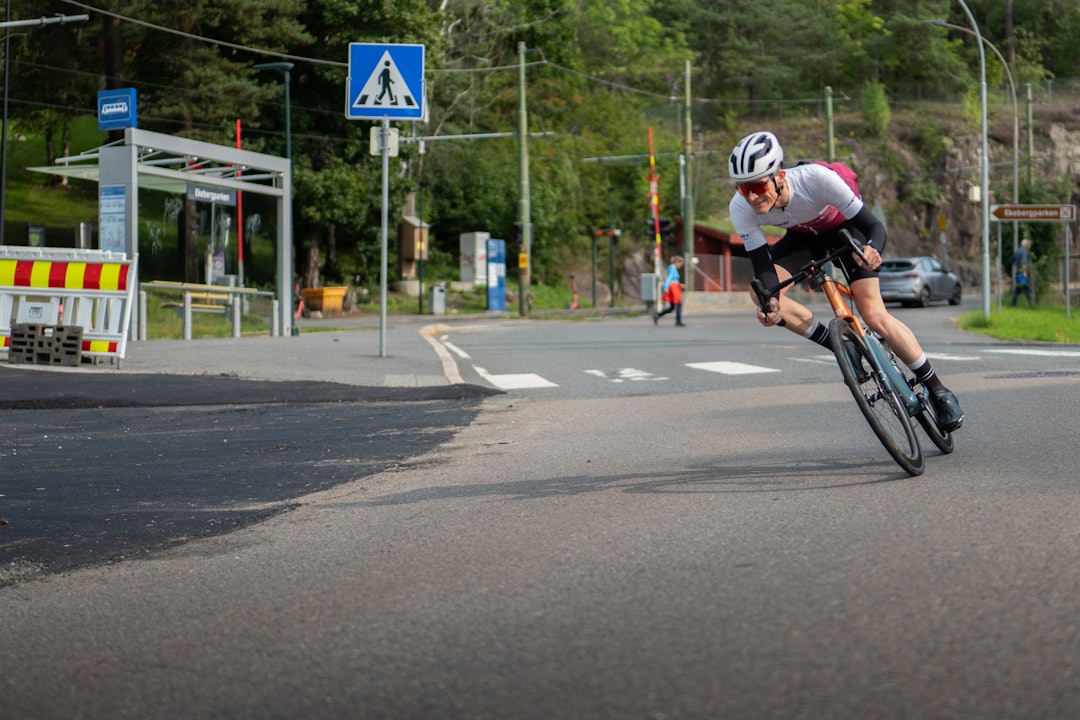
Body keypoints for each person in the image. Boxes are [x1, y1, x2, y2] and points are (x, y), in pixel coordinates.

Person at [727, 131, 964, 432]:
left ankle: (938, 389)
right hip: (802, 239)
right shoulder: (740, 208)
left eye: (758, 186)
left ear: (779, 176)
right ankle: (842, 346)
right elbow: (764, 269)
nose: (751, 197)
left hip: (847, 228)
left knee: (873, 314)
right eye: (743, 188)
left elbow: (873, 226)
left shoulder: (816, 179)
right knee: (759, 293)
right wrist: (770, 304)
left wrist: (873, 251)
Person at [653, 255, 686, 327]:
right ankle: (678, 321)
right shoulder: (672, 268)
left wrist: (679, 285)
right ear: (677, 262)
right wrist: (666, 287)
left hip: (674, 287)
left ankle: (657, 315)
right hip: (673, 288)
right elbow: (670, 278)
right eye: (680, 263)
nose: (681, 265)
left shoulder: (673, 268)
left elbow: (674, 279)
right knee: (678, 304)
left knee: (672, 307)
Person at [1009, 238, 1033, 307]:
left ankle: (1014, 303)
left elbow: (1011, 261)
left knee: (1018, 289)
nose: (1029, 245)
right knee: (1026, 288)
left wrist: (1016, 264)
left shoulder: (1017, 251)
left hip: (1018, 272)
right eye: (1028, 244)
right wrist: (1024, 272)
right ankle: (1031, 304)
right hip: (1022, 273)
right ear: (1025, 245)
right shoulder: (1024, 252)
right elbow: (1023, 262)